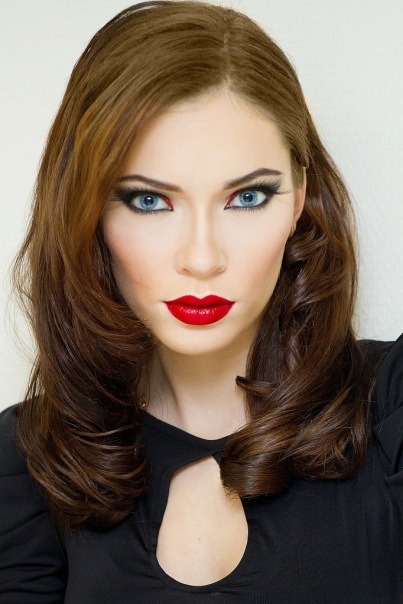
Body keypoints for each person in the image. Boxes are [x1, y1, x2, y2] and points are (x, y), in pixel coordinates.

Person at [0, 1, 401, 602]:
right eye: (148, 201)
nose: (202, 258)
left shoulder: (391, 408)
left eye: (247, 198)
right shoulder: (27, 459)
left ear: (298, 200)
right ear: (87, 212)